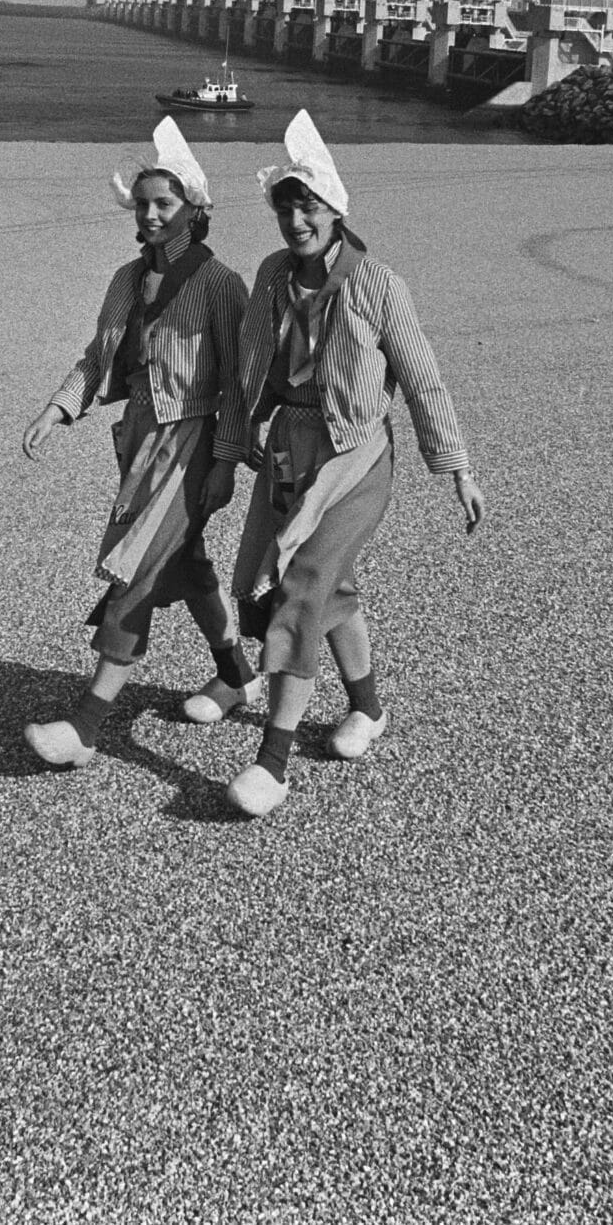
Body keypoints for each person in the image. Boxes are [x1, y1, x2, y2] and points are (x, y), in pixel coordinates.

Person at [224, 112, 485, 818]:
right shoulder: (273, 275)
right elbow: (250, 364)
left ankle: (271, 763)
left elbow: (423, 378)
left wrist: (455, 466)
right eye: (285, 207)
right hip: (288, 447)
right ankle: (368, 708)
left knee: (302, 583)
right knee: (331, 589)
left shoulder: (378, 284)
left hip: (356, 456)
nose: (295, 220)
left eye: (307, 206)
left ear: (335, 210)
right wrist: (234, 439)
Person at [18, 119, 254, 768]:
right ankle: (235, 674)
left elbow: (238, 383)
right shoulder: (126, 278)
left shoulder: (219, 283)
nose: (150, 214)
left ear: (194, 211)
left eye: (164, 204)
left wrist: (227, 462)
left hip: (194, 444)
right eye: (144, 203)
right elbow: (97, 359)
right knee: (185, 563)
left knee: (136, 571)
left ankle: (86, 727)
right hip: (141, 445)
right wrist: (58, 408)